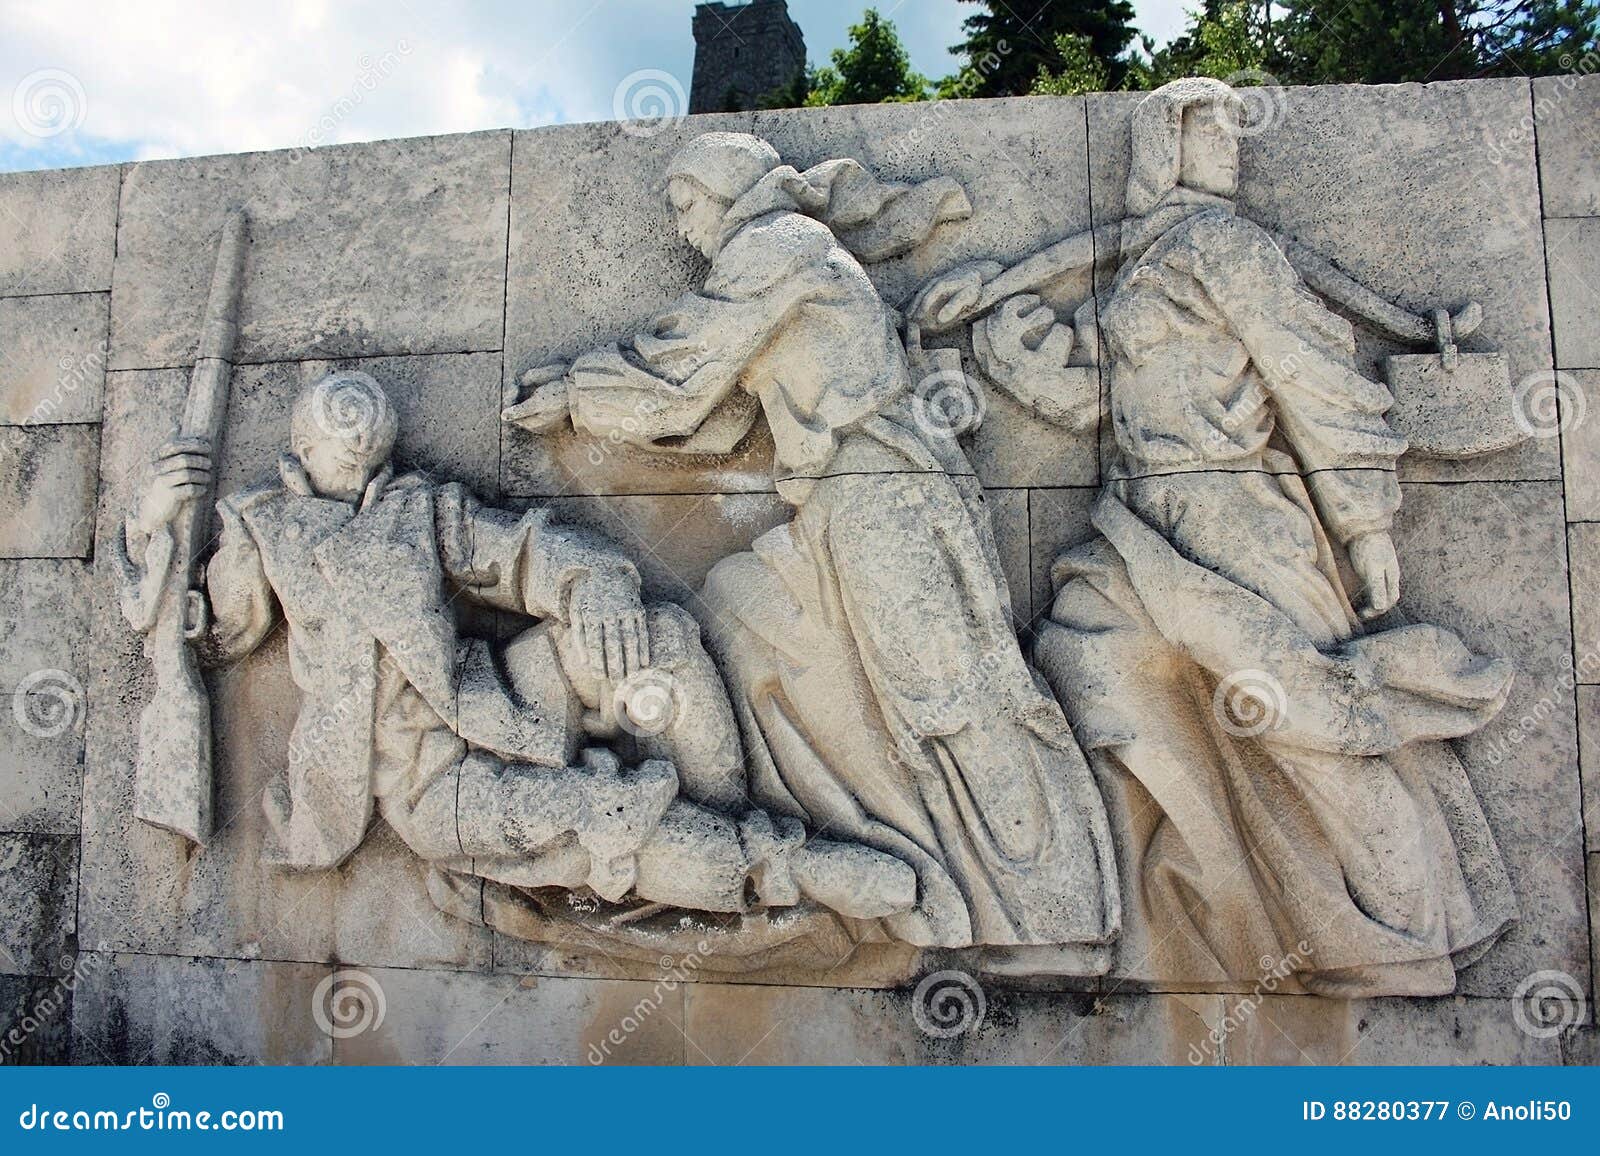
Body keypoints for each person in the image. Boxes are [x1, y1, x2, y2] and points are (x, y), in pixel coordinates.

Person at [910, 78, 1516, 996]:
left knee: (1305, 723)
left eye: (1234, 131)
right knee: (1088, 663)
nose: (1228, 148)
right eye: (1207, 132)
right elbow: (1105, 407)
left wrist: (1363, 523)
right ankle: (1166, 914)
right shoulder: (1144, 264)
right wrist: (1015, 356)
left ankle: (1400, 933)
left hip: (1239, 520)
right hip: (1139, 520)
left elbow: (1312, 376)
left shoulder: (1229, 246)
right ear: (1161, 144)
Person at [506, 133, 1120, 970]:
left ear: (724, 191)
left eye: (685, 202)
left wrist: (578, 391)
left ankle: (1052, 912)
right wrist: (591, 416)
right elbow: (715, 414)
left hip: (879, 487)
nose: (682, 227)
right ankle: (871, 864)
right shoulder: (779, 255)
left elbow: (686, 368)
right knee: (741, 621)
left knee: (949, 693)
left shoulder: (777, 246)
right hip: (839, 498)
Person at [120, 370, 916, 955]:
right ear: (301, 448)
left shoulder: (417, 507)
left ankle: (733, 816)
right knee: (594, 815)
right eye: (341, 449)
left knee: (659, 639)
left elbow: (525, 549)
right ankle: (789, 868)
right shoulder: (263, 528)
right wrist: (154, 527)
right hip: (421, 780)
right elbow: (209, 634)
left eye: (369, 449)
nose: (359, 459)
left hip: (494, 694)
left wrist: (594, 585)